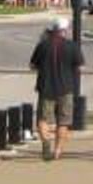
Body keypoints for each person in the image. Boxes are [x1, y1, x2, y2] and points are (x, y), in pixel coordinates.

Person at [29, 16, 83, 160]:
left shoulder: (43, 45)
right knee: (63, 122)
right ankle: (57, 151)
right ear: (65, 30)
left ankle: (46, 142)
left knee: (42, 119)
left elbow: (32, 65)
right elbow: (80, 66)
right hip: (65, 88)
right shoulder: (72, 46)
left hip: (45, 87)